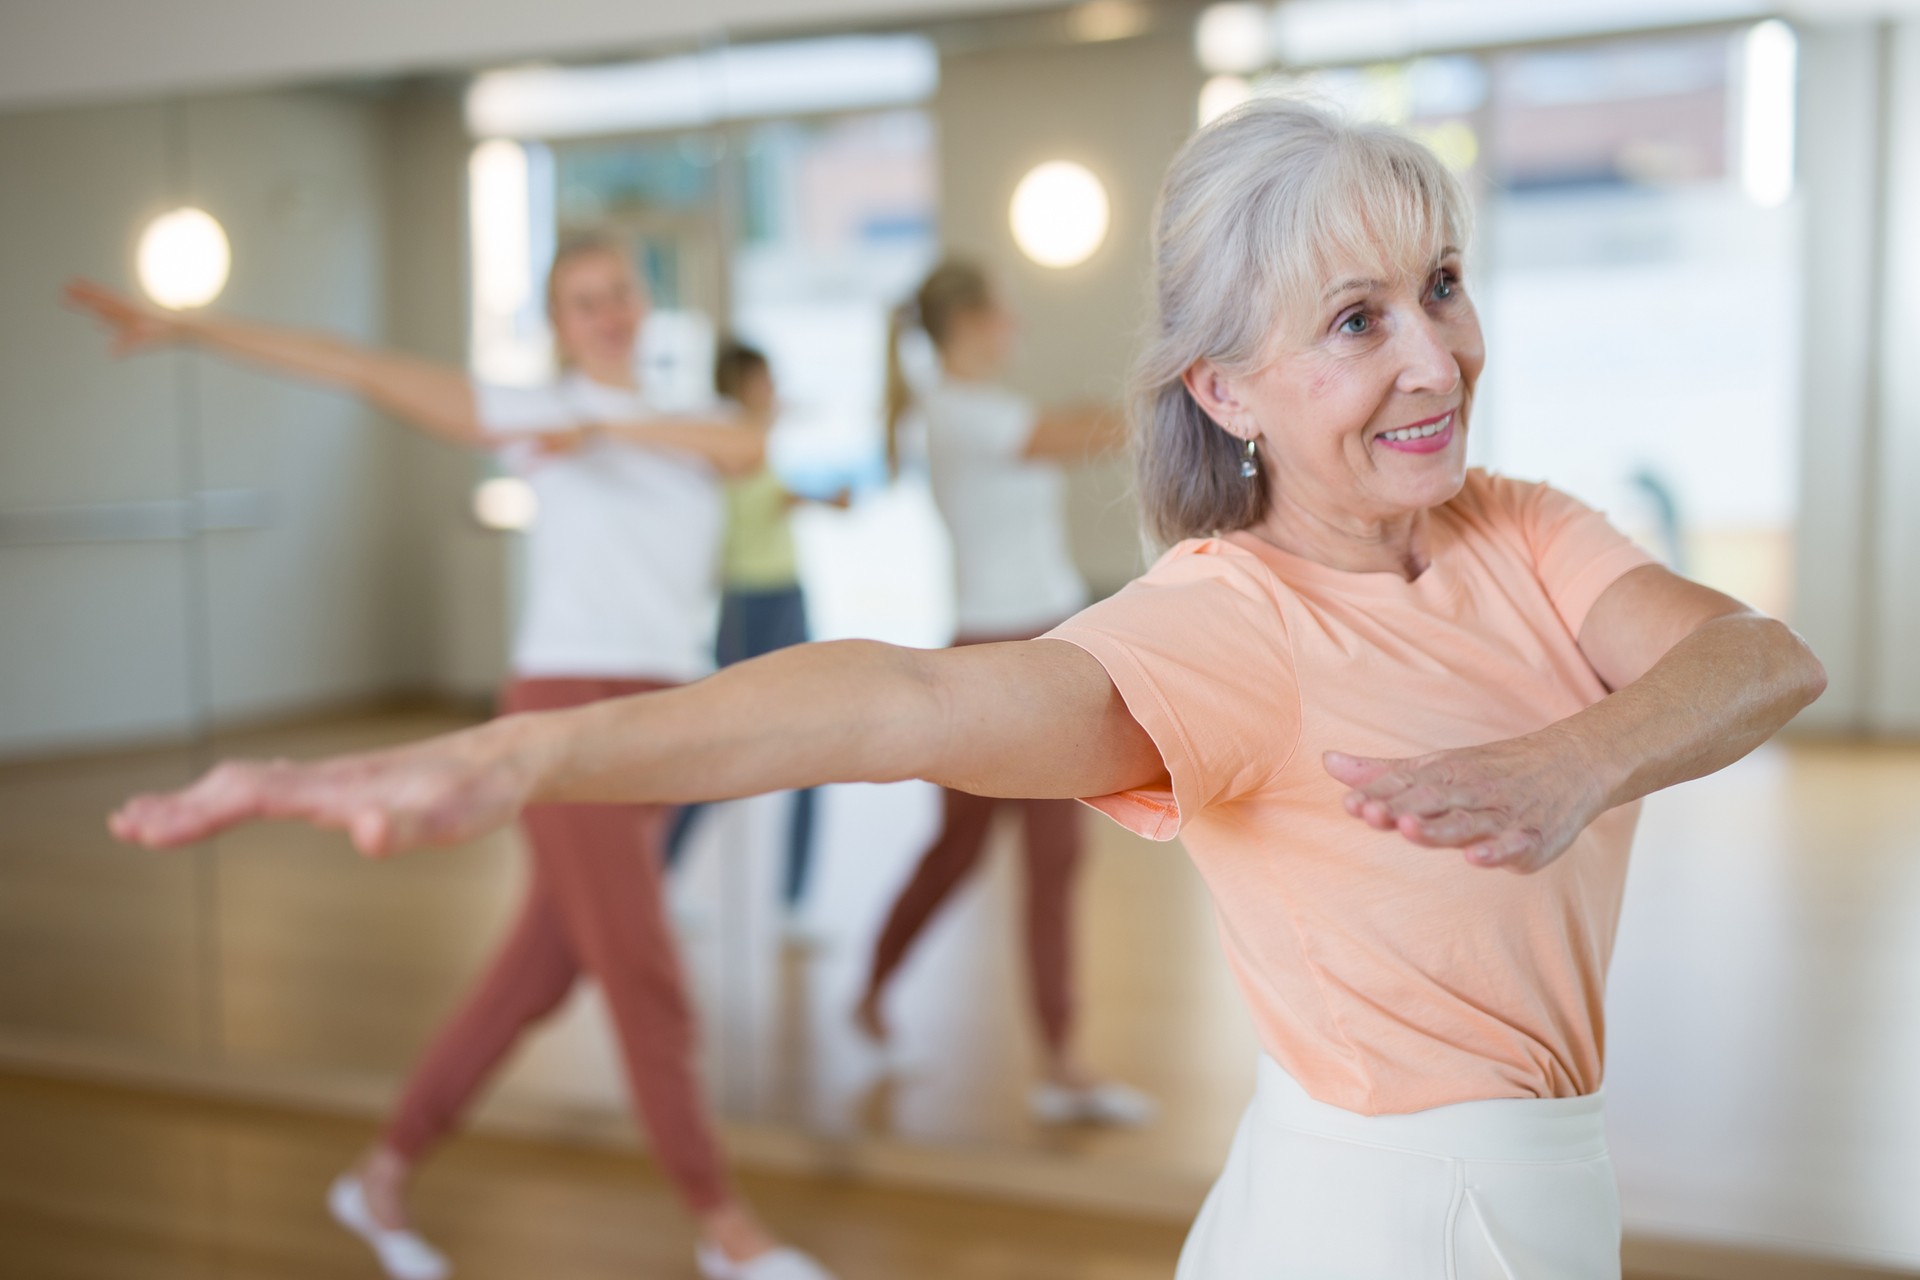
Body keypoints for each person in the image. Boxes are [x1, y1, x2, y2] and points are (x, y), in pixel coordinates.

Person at [108, 101, 1827, 1279]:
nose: (1435, 356)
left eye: (1439, 287)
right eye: (1355, 320)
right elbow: (897, 704)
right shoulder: (1227, 624)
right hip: (1387, 1225)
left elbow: (1760, 654)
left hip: (1509, 1191)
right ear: (1227, 393)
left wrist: (1571, 763)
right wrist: (526, 754)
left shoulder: (1527, 529)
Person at [68, 234, 835, 1280]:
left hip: (660, 714)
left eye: (618, 293)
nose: (607, 313)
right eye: (581, 301)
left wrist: (597, 421)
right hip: (564, 700)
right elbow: (359, 366)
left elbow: (746, 449)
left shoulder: (680, 420)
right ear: (557, 322)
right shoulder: (532, 416)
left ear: (642, 303)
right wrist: (195, 328)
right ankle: (724, 1224)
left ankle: (380, 1176)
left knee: (539, 967)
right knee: (644, 969)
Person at [862, 260, 1148, 1125]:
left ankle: (1061, 1060)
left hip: (1054, 642)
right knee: (957, 852)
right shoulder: (954, 414)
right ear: (972, 323)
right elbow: (1074, 435)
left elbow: (1062, 428)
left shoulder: (984, 407)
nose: (1015, 323)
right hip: (992, 655)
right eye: (1005, 310)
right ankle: (873, 983)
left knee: (1055, 857)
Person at [663, 340, 844, 927]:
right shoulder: (731, 447)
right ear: (741, 386)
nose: (773, 389)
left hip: (786, 599)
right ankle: (661, 878)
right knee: (720, 752)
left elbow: (777, 491)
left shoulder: (758, 441)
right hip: (746, 608)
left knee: (817, 746)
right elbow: (760, 495)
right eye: (764, 380)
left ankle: (795, 902)